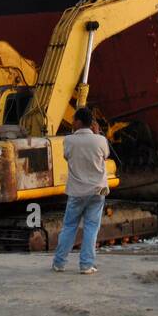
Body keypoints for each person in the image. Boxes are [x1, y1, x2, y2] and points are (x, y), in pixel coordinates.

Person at [52, 107, 111, 275]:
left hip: (77, 191)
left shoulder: (69, 140)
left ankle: (59, 263)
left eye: (73, 119)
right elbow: (105, 156)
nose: (71, 122)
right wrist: (97, 133)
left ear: (78, 122)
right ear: (91, 123)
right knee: (91, 228)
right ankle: (86, 265)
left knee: (69, 226)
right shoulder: (100, 140)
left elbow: (66, 156)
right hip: (98, 190)